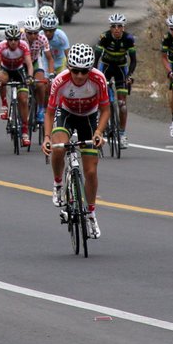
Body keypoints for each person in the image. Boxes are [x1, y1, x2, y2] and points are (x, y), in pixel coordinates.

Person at [44, 44, 109, 239]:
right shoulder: (60, 81)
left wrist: (98, 132)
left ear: (90, 69)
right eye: (75, 71)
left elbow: (106, 110)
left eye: (84, 71)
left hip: (89, 118)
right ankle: (58, 183)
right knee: (58, 148)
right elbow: (49, 112)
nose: (80, 76)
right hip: (67, 114)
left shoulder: (98, 79)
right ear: (68, 68)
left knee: (91, 171)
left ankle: (90, 215)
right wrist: (46, 138)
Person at [96, 13, 137, 149]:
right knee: (102, 99)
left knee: (122, 104)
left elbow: (133, 60)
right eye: (114, 26)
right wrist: (95, 74)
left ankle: (122, 133)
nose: (117, 29)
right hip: (106, 67)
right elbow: (96, 58)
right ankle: (100, 124)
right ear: (110, 28)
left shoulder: (129, 39)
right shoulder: (104, 37)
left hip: (121, 68)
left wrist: (129, 76)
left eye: (119, 26)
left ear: (123, 27)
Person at [0, 26, 34, 146]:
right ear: (7, 40)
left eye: (16, 39)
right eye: (10, 39)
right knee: (1, 79)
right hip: (5, 70)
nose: (13, 42)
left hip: (19, 71)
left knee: (23, 99)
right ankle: (4, 105)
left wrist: (30, 77)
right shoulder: (0, 46)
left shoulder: (24, 46)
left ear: (19, 39)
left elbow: (29, 65)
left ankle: (25, 133)